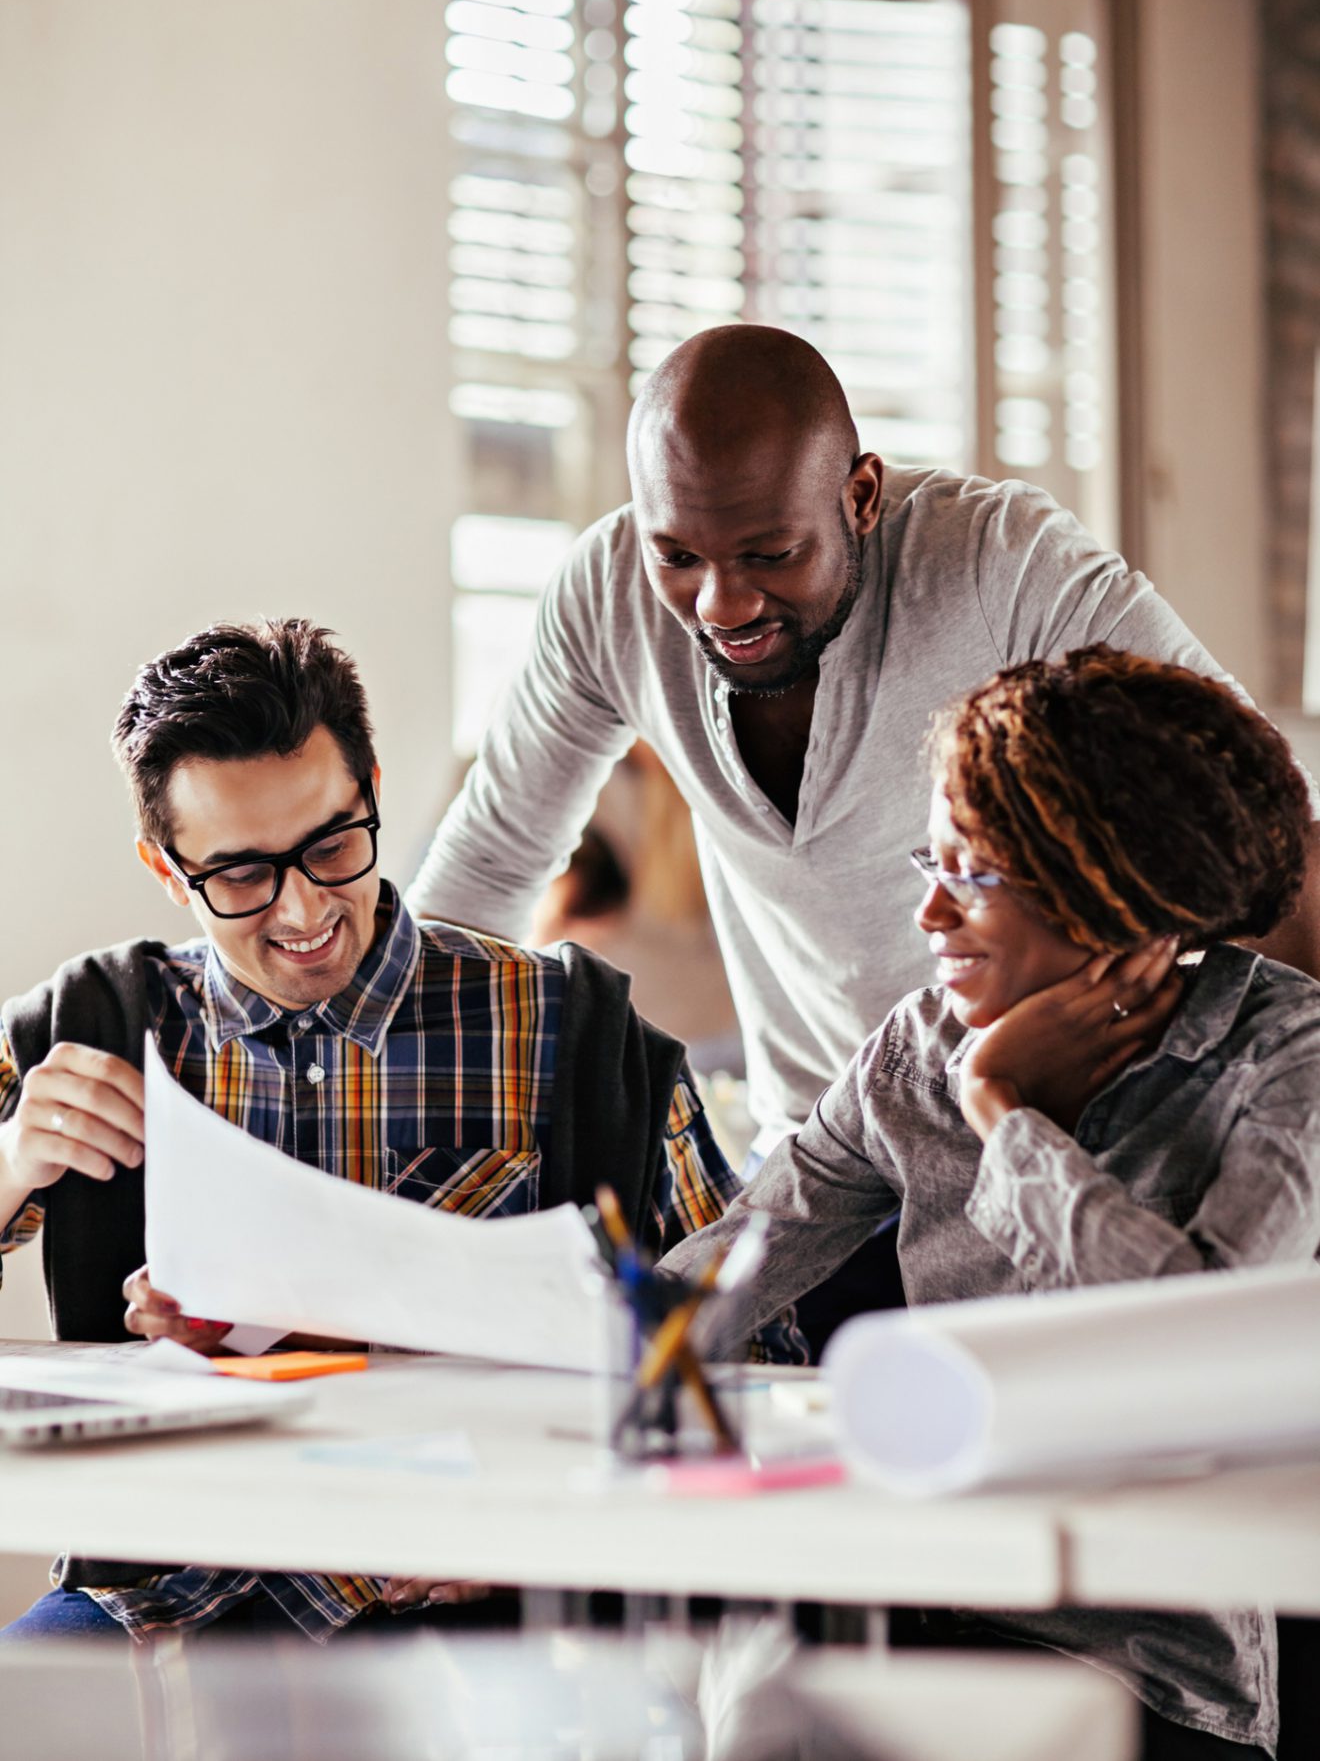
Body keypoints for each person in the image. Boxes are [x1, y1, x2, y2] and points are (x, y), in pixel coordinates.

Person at [0, 617, 783, 1645]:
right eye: (239, 877)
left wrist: (545, 1518)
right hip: (160, 1591)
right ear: (164, 864)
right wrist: (11, 1168)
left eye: (332, 846)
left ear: (370, 786)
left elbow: (743, 1348)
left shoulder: (577, 1031)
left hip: (489, 1591)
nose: (301, 911)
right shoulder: (89, 1023)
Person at [408, 325, 1320, 1169]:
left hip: (1051, 1139)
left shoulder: (999, 561)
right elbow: (487, 868)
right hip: (818, 1151)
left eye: (770, 555)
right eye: (678, 556)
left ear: (862, 496)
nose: (721, 605)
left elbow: (1260, 817)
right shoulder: (607, 594)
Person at [661, 644, 1320, 1761]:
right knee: (732, 1702)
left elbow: (1188, 1332)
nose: (927, 913)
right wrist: (552, 1328)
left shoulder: (1282, 1057)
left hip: (1150, 1675)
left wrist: (1002, 1110)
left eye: (972, 874)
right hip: (925, 1603)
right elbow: (732, 1265)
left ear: (1116, 898)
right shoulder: (913, 1052)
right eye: (935, 859)